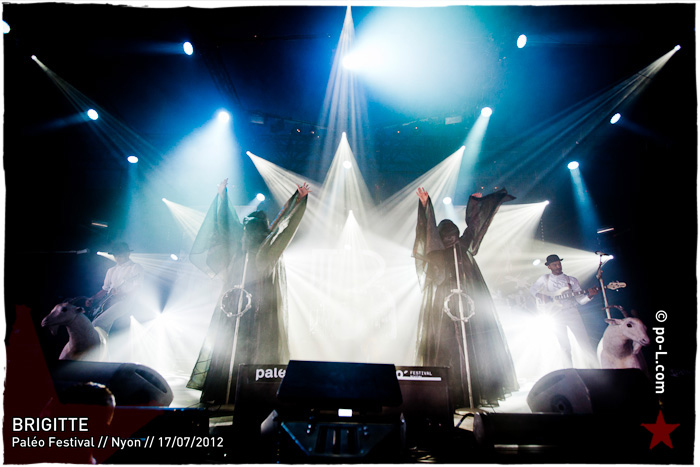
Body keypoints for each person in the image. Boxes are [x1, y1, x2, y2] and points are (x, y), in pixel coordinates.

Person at [187, 178, 309, 405]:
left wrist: (298, 200)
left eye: (252, 229)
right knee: (229, 344)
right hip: (234, 305)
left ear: (261, 230)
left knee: (253, 346)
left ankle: (251, 392)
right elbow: (227, 224)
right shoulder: (239, 247)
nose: (247, 233)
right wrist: (223, 196)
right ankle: (224, 389)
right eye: (246, 229)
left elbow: (285, 225)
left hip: (258, 309)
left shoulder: (268, 247)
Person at [413, 187, 518, 410]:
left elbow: (475, 227)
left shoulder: (463, 246)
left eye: (453, 234)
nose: (451, 239)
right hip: (444, 308)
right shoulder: (436, 253)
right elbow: (427, 231)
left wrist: (475, 204)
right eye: (446, 236)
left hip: (468, 306)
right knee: (448, 347)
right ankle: (451, 393)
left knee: (475, 346)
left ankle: (475, 391)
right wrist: (425, 206)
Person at [529, 254, 599, 368]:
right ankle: (569, 370)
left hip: (572, 312)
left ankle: (596, 367)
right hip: (556, 315)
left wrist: (590, 295)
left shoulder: (571, 280)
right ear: (549, 267)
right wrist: (540, 295)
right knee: (564, 346)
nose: (558, 266)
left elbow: (580, 301)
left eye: (559, 264)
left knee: (584, 342)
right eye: (555, 265)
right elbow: (532, 289)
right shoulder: (544, 278)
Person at [86, 241, 144, 334]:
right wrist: (93, 298)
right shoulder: (111, 270)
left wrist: (124, 294)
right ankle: (101, 343)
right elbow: (105, 289)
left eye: (120, 255)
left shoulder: (135, 267)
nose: (117, 258)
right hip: (108, 302)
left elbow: (137, 288)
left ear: (127, 254)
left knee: (97, 324)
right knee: (103, 330)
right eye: (115, 255)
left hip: (124, 302)